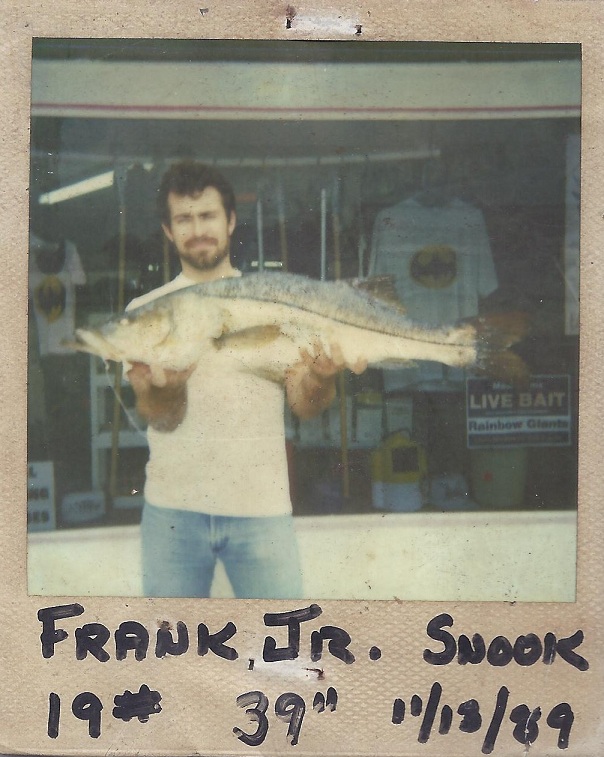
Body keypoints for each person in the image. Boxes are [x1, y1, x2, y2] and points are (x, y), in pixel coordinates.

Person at [127, 160, 363, 599]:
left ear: (231, 220)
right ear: (168, 230)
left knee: (282, 636)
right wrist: (169, 390)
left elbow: (305, 406)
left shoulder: (272, 302)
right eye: (184, 219)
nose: (198, 229)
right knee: (169, 640)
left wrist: (322, 378)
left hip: (262, 511)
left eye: (208, 215)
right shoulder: (146, 314)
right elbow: (157, 415)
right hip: (173, 514)